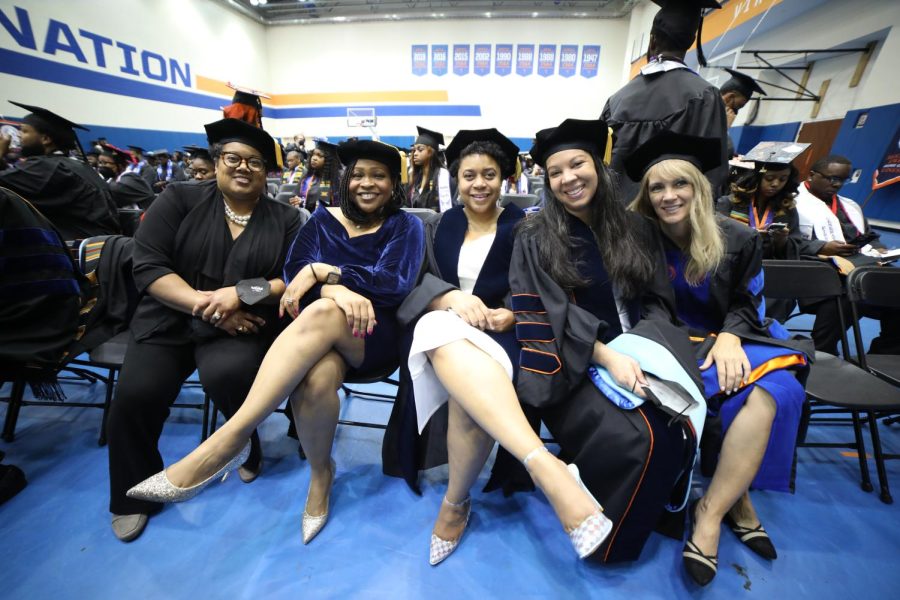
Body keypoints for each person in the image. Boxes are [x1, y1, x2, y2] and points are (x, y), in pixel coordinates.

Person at [126, 139, 425, 547]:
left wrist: (327, 274)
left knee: (320, 311)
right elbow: (293, 281)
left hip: (374, 335)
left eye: (379, 176)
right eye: (357, 174)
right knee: (315, 383)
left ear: (394, 184)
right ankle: (322, 475)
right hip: (318, 337)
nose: (366, 183)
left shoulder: (406, 225)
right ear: (343, 180)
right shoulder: (320, 220)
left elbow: (393, 284)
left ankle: (228, 440)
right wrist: (331, 289)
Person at [511, 119, 703, 564]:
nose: (568, 178)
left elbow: (657, 299)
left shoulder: (636, 228)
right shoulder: (535, 237)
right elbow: (539, 311)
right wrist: (604, 353)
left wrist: (650, 349)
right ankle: (609, 540)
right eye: (555, 172)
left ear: (597, 166)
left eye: (577, 164)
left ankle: (657, 511)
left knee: (681, 424)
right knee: (650, 437)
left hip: (643, 351)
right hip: (572, 363)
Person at [627, 131, 812, 586]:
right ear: (647, 196)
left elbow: (749, 301)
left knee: (776, 389)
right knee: (714, 391)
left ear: (698, 187)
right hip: (672, 339)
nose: (669, 196)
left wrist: (730, 337)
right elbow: (643, 307)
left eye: (680, 184)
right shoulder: (639, 239)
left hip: (737, 333)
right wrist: (686, 346)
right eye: (657, 187)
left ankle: (710, 513)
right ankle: (739, 502)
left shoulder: (738, 237)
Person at [105, 118, 303, 542]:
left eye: (255, 162)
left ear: (268, 172)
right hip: (169, 319)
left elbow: (292, 278)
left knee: (231, 375)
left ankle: (243, 443)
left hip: (240, 325)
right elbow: (149, 266)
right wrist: (207, 305)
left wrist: (239, 293)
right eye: (233, 158)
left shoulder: (285, 218)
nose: (243, 167)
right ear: (216, 163)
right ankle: (130, 495)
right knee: (137, 393)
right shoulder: (179, 199)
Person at [601, 0, 727, 202]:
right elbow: (712, 175)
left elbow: (602, 163)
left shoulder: (617, 99)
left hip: (618, 219)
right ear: (691, 40)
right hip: (671, 219)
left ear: (652, 41)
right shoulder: (704, 96)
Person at [794, 154, 899, 354]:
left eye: (843, 179)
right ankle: (822, 349)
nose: (837, 184)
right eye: (832, 178)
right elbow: (787, 243)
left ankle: (887, 350)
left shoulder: (849, 205)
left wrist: (879, 247)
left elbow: (867, 235)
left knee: (894, 284)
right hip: (815, 266)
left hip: (858, 263)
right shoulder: (792, 202)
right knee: (848, 291)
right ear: (812, 175)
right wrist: (821, 247)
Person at [717, 142, 812, 321]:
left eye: (783, 179)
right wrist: (746, 236)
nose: (776, 184)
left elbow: (795, 244)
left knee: (782, 296)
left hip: (768, 270)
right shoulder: (728, 203)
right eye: (770, 178)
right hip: (733, 268)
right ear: (756, 177)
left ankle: (761, 331)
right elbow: (716, 237)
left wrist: (781, 241)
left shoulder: (787, 209)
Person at [0, 101, 120, 241]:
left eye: (24, 130)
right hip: (101, 245)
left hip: (77, 250)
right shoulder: (72, 165)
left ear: (45, 139)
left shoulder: (46, 167)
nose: (19, 135)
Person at [719, 68, 767, 156]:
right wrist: (725, 127)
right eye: (738, 106)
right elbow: (726, 151)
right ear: (730, 97)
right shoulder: (703, 112)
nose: (736, 112)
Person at [98, 143, 156, 210]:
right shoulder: (112, 179)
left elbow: (116, 189)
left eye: (105, 163)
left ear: (119, 165)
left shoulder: (130, 178)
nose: (101, 166)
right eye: (100, 163)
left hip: (143, 216)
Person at [408, 126, 452, 212]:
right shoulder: (414, 175)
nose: (415, 154)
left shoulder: (442, 175)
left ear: (431, 152)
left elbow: (445, 208)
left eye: (420, 150)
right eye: (414, 150)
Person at [290, 140, 341, 211]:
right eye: (313, 154)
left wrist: (303, 202)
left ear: (328, 160)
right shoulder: (307, 176)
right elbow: (296, 195)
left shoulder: (336, 179)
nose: (314, 158)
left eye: (319, 156)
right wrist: (297, 200)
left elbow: (335, 205)